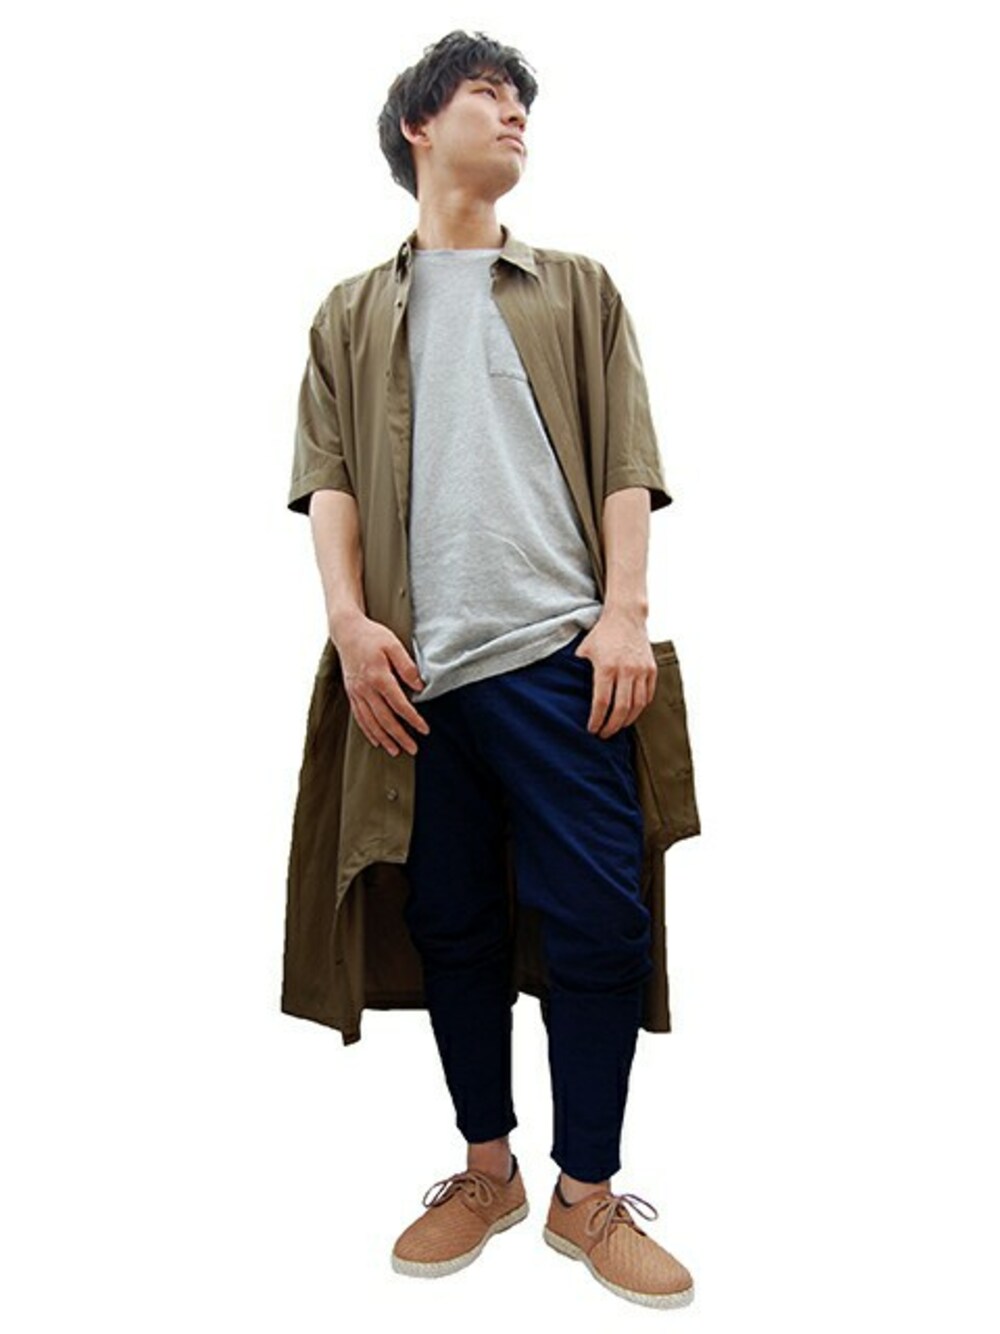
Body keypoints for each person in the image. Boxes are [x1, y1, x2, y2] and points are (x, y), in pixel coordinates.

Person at [285, 29, 698, 1309]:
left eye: (522, 99)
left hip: (560, 655)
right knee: (449, 919)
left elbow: (626, 458)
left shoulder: (576, 288)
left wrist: (623, 612)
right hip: (413, 678)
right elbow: (330, 480)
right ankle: (487, 1171)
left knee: (601, 916)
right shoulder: (351, 311)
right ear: (418, 125)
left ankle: (586, 1191)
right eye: (486, 93)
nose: (514, 111)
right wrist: (348, 624)